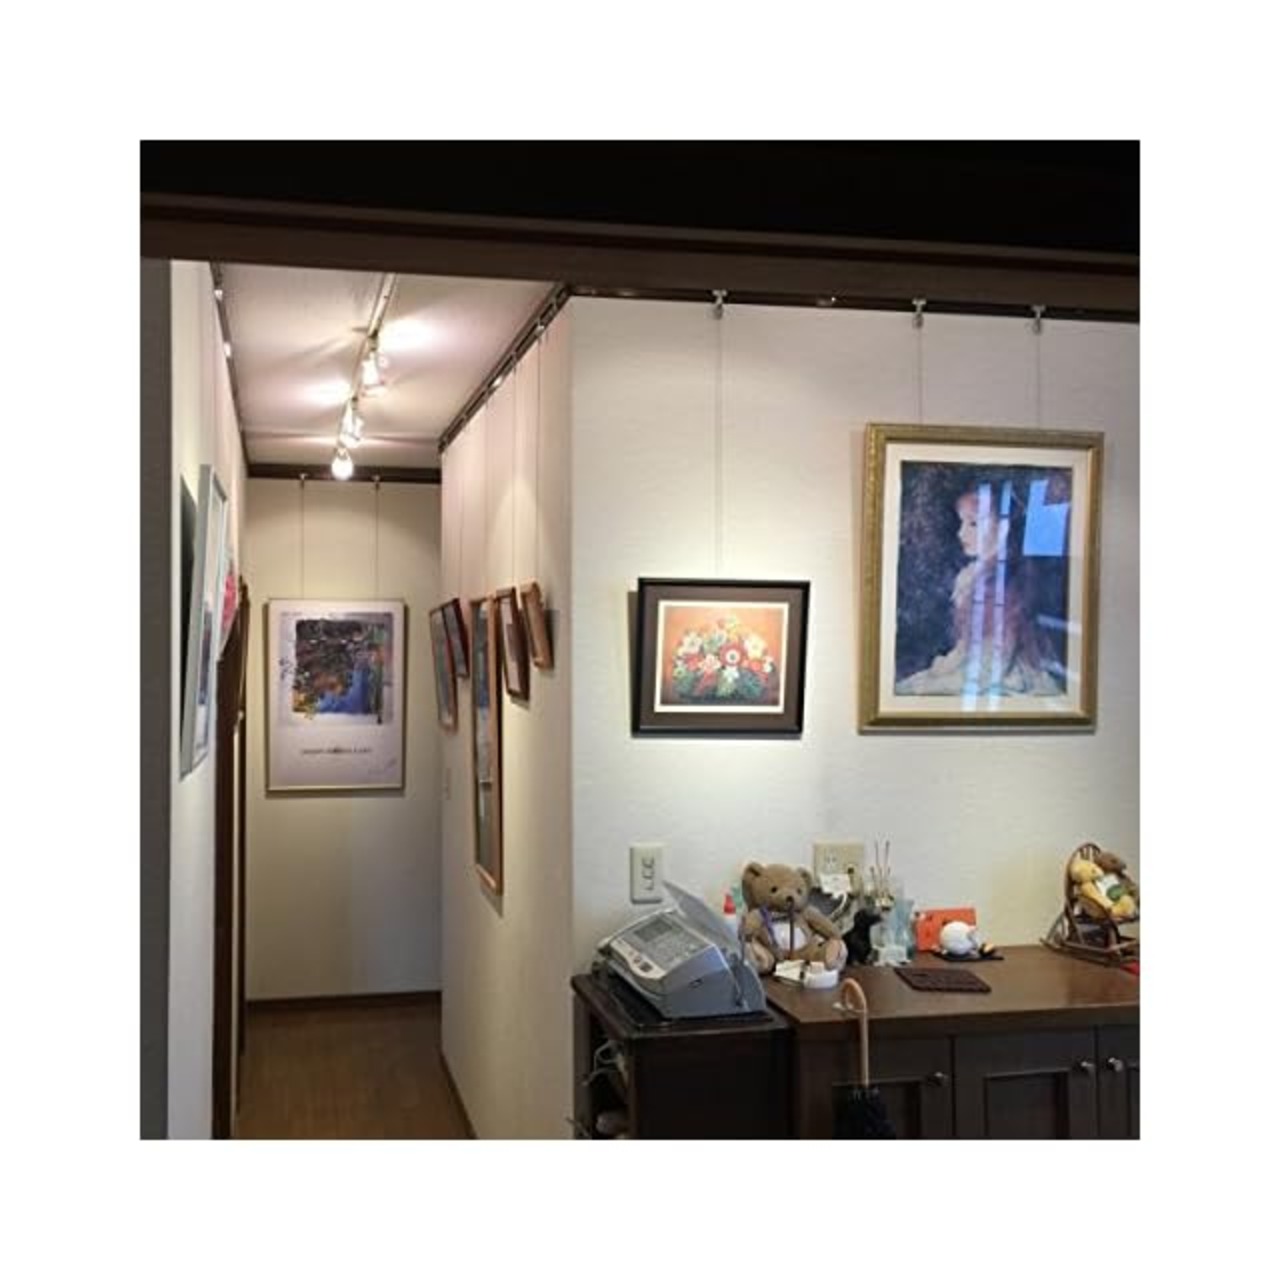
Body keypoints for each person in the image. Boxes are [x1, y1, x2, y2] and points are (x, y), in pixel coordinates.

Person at [895, 479, 1064, 697]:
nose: (960, 533)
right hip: (979, 668)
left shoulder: (1004, 583)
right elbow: (968, 649)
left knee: (914, 689)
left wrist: (940, 677)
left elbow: (994, 662)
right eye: (962, 523)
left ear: (1003, 528)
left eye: (974, 524)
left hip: (1006, 677)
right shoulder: (975, 576)